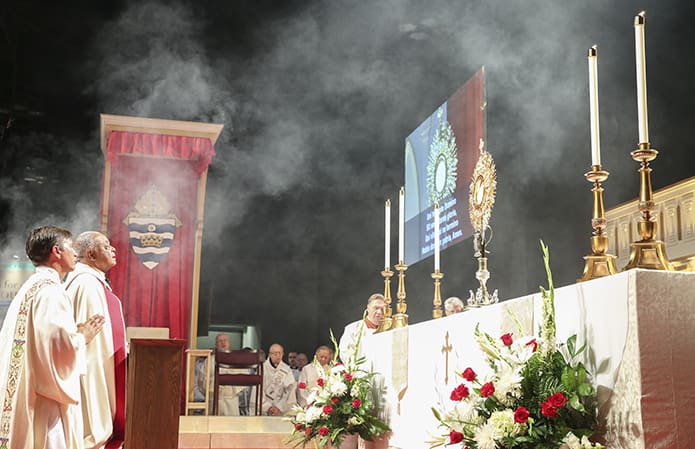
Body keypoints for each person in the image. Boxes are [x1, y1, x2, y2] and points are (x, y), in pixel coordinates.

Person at [0, 225, 105, 449]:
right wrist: (81, 338)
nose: (75, 253)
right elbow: (57, 351)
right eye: (70, 247)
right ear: (57, 251)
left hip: (27, 389)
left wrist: (72, 334)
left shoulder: (30, 287)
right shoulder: (51, 292)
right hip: (45, 401)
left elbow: (46, 339)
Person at [64, 231, 127, 449]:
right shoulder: (86, 284)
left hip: (103, 364)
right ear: (90, 254)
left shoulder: (93, 282)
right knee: (92, 429)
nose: (113, 249)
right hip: (92, 370)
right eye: (106, 246)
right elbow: (88, 340)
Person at [200, 333, 248, 416]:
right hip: (214, 398)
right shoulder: (209, 360)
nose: (223, 343)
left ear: (229, 343)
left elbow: (243, 378)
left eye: (225, 340)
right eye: (220, 341)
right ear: (216, 344)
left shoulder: (236, 359)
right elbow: (202, 380)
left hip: (230, 398)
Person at [338, 293, 385, 361]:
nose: (379, 312)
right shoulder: (352, 329)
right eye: (376, 308)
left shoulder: (389, 331)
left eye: (382, 309)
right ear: (368, 308)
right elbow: (345, 353)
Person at [262, 343, 297, 416]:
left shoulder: (286, 370)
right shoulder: (262, 369)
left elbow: (289, 390)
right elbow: (258, 391)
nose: (278, 356)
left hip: (280, 409)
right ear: (269, 354)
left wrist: (278, 407)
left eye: (280, 353)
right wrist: (268, 407)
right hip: (265, 408)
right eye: (275, 353)